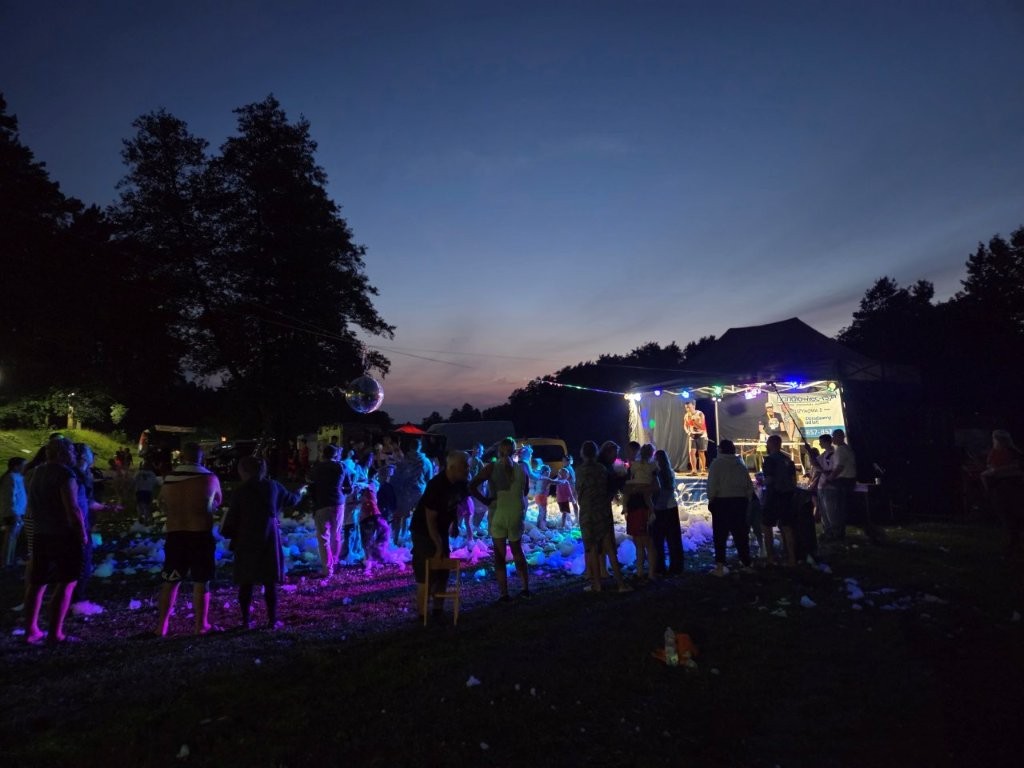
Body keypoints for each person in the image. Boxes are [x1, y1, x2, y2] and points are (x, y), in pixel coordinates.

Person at [222, 456, 303, 630]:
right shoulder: (273, 486)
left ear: (244, 471)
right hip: (268, 537)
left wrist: (229, 533)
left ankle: (245, 620)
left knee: (246, 581)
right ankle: (272, 620)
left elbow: (232, 517)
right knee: (269, 580)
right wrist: (300, 492)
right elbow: (292, 499)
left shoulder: (241, 491)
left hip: (246, 538)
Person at [154, 443, 223, 637]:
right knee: (201, 581)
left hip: (175, 534)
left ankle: (162, 626)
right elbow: (218, 501)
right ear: (201, 458)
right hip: (200, 533)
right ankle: (201, 625)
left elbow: (161, 503)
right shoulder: (210, 478)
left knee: (170, 580)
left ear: (182, 457)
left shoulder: (169, 480)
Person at [24, 437, 87, 644]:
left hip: (40, 533)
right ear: (64, 453)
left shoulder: (36, 473)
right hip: (63, 534)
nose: (74, 454)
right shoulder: (65, 474)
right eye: (72, 451)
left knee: (37, 583)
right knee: (67, 582)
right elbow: (73, 508)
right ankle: (55, 633)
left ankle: (31, 630)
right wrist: (82, 533)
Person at [411, 450, 474, 618]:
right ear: (452, 467)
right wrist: (438, 546)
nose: (468, 469)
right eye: (465, 466)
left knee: (443, 569)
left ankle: (438, 611)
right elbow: (430, 519)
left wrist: (454, 524)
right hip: (423, 530)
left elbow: (455, 503)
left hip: (441, 529)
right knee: (426, 571)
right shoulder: (436, 485)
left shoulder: (460, 483)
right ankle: (422, 615)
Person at [470, 437, 531, 601]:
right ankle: (525, 588)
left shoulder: (491, 467)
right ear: (514, 452)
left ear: (499, 451)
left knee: (499, 555)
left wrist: (485, 500)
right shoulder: (522, 470)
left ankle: (504, 594)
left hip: (497, 513)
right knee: (517, 551)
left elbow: (472, 485)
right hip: (516, 514)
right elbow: (525, 492)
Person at [575, 440, 630, 593]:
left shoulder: (579, 471)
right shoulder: (602, 469)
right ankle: (621, 584)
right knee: (610, 548)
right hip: (603, 512)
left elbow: (578, 491)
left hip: (587, 513)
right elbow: (609, 488)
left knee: (592, 548)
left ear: (582, 453)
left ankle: (596, 584)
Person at [707, 439, 754, 576]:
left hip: (722, 502)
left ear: (721, 450)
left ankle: (720, 566)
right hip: (739, 502)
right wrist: (747, 499)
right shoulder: (740, 464)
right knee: (741, 535)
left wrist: (711, 499)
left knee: (720, 535)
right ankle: (746, 563)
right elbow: (748, 485)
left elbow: (712, 485)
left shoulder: (716, 464)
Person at [981, 429, 1024, 558]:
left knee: (1014, 514)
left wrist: (998, 471)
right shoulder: (993, 453)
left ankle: (1014, 543)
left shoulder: (1013, 453)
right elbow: (990, 467)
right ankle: (1013, 543)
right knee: (1006, 516)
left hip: (1012, 485)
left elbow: (1017, 467)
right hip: (999, 487)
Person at [308, 445, 347, 578]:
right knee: (336, 534)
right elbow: (348, 486)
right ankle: (334, 562)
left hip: (322, 503)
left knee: (324, 537)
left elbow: (310, 482)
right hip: (338, 503)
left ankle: (327, 569)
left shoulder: (317, 468)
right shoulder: (341, 467)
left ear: (323, 454)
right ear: (335, 455)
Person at [761, 434, 797, 566]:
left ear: (771, 444)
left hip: (773, 495)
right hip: (787, 495)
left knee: (767, 526)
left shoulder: (769, 460)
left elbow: (769, 479)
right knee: (787, 526)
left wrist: (761, 483)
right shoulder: (788, 460)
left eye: (768, 443)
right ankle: (792, 558)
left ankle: (771, 557)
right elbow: (794, 480)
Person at [623, 443, 657, 582]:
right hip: (638, 507)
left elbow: (655, 486)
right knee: (641, 542)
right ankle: (643, 572)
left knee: (644, 542)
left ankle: (647, 572)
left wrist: (636, 490)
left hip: (639, 508)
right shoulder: (650, 467)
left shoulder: (636, 467)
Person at [650, 449, 684, 576]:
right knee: (674, 539)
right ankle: (677, 566)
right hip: (671, 508)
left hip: (659, 509)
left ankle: (660, 566)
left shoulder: (654, 474)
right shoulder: (670, 473)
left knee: (657, 540)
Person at [392, 439, 432, 546]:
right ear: (420, 447)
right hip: (419, 492)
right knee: (417, 517)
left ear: (410, 447)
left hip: (405, 492)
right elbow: (429, 479)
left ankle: (396, 539)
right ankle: (413, 541)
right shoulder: (426, 462)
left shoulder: (404, 461)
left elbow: (397, 477)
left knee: (401, 515)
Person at [826, 428, 857, 541]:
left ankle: (838, 532)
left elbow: (839, 467)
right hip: (849, 480)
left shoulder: (841, 450)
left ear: (839, 437)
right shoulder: (847, 448)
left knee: (838, 508)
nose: (832, 439)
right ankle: (840, 531)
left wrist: (830, 478)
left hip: (843, 481)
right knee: (842, 507)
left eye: (834, 436)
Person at [1, 457, 28, 568]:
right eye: (24, 464)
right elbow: (9, 497)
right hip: (13, 512)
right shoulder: (11, 478)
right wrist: (15, 513)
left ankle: (9, 560)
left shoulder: (18, 477)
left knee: (13, 537)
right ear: (16, 466)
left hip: (17, 512)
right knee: (11, 537)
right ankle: (6, 562)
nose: (25, 467)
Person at [683, 401, 708, 474]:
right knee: (691, 453)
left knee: (701, 452)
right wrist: (689, 433)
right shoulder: (686, 415)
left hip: (701, 435)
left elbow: (702, 426)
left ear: (693, 406)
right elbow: (685, 426)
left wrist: (693, 421)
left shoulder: (700, 414)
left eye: (689, 407)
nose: (688, 409)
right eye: (686, 408)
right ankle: (694, 470)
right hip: (692, 436)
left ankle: (703, 469)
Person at [134, 460, 162, 524]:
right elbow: (155, 483)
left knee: (140, 505)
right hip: (147, 491)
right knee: (147, 506)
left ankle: (141, 518)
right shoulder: (152, 473)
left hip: (139, 491)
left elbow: (134, 481)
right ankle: (146, 519)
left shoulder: (138, 473)